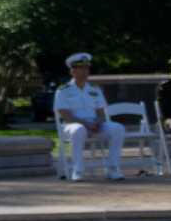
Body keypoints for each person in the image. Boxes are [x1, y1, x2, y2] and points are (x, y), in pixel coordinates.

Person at [53, 52, 125, 182]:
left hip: (95, 125)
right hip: (72, 125)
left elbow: (101, 113)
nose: (85, 71)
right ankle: (78, 170)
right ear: (72, 71)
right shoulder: (63, 90)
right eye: (81, 68)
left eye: (87, 68)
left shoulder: (95, 89)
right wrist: (86, 124)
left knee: (117, 128)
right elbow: (65, 115)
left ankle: (113, 168)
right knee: (78, 130)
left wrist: (97, 122)